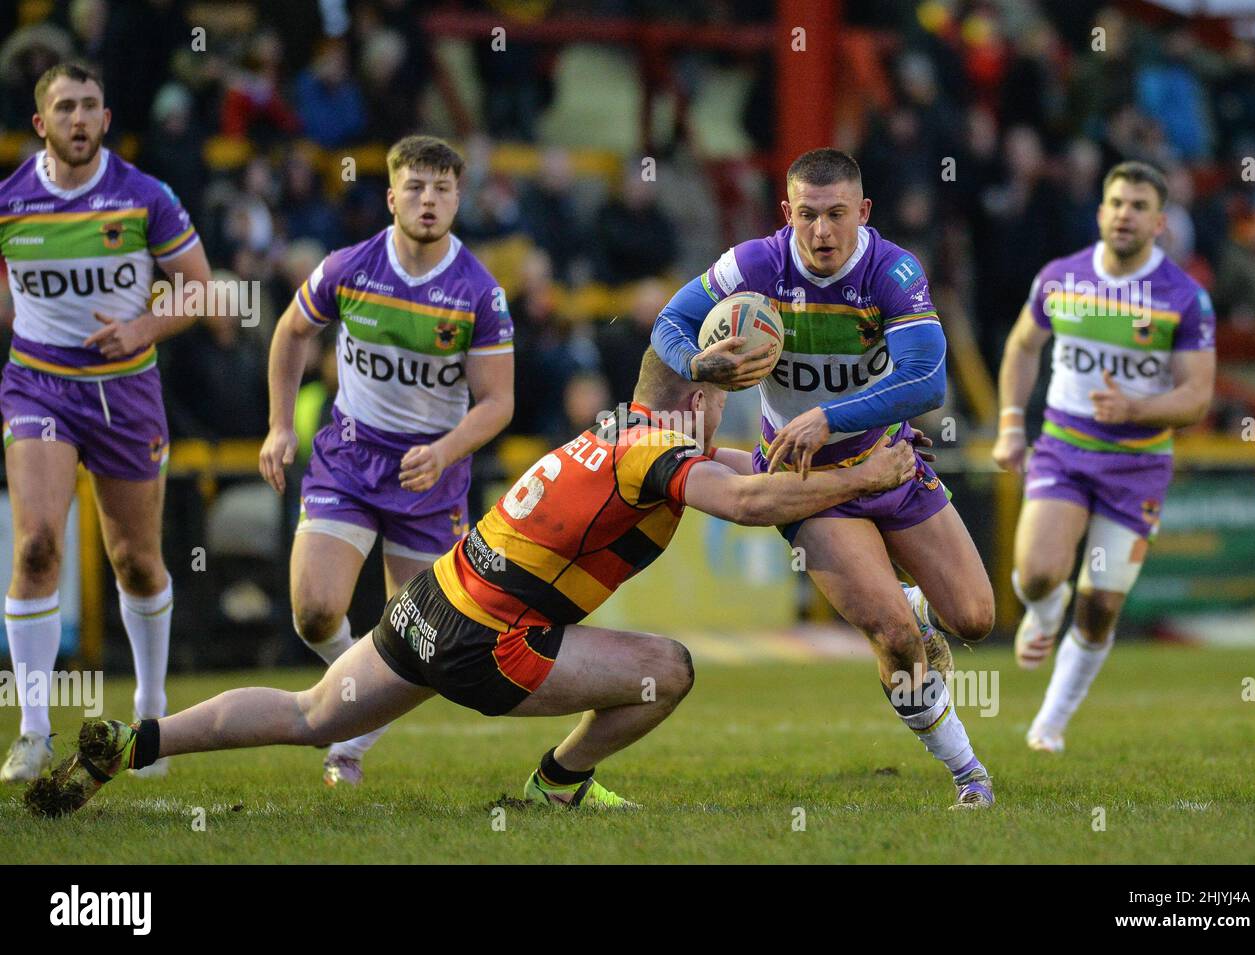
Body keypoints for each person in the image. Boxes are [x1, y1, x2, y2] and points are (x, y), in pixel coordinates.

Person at [25, 349, 923, 817]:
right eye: (720, 396)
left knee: (311, 716)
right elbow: (754, 500)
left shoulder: (623, 432)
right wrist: (872, 480)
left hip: (432, 604)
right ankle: (558, 783)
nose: (721, 412)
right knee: (672, 667)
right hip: (486, 642)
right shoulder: (661, 453)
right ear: (696, 400)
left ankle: (135, 741)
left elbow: (754, 466)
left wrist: (831, 460)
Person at [652, 148, 996, 809]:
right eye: (807, 215)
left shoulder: (894, 270)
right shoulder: (754, 264)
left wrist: (827, 415)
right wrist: (697, 361)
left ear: (862, 213)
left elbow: (927, 379)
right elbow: (670, 321)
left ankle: (920, 605)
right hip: (807, 486)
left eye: (837, 215)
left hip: (892, 463)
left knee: (976, 619)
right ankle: (968, 772)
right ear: (787, 213)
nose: (821, 233)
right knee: (893, 635)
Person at [257, 136, 515, 787]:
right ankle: (353, 709)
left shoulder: (479, 293)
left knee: (426, 646)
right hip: (349, 457)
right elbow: (290, 331)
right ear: (392, 194)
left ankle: (347, 737)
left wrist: (446, 449)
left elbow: (497, 403)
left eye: (443, 189)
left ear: (459, 198)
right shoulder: (349, 267)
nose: (429, 200)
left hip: (430, 473)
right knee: (315, 609)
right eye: (417, 187)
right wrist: (280, 425)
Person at [0, 63, 211, 782]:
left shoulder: (145, 196)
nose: (80, 118)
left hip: (125, 393)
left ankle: (149, 710)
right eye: (66, 107)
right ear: (41, 124)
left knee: (136, 560)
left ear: (106, 117)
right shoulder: (10, 203)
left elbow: (200, 293)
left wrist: (143, 328)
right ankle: (33, 732)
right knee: (33, 544)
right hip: (40, 388)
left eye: (91, 105)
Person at [991, 160, 1216, 752]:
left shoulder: (1184, 299)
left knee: (1099, 608)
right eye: (1116, 203)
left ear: (1160, 222)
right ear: (1100, 212)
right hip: (1064, 451)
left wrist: (1136, 411)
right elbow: (1021, 347)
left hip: (1137, 466)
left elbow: (1196, 396)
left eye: (1139, 206)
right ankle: (1042, 613)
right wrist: (1012, 425)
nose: (1125, 214)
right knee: (1039, 573)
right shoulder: (1061, 280)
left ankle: (1050, 723)